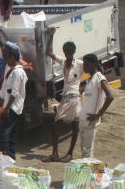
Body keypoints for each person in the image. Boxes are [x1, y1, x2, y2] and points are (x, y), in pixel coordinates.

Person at [46, 29, 84, 161]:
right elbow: (49, 52)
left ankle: (69, 154)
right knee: (57, 124)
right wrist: (51, 35)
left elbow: (94, 70)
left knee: (73, 124)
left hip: (75, 98)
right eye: (65, 52)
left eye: (69, 52)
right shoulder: (63, 62)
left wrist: (85, 87)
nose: (67, 54)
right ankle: (56, 153)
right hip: (66, 97)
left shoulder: (79, 64)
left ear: (73, 52)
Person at [0, 46, 27, 158]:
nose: (6, 62)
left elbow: (14, 92)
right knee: (12, 132)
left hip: (12, 106)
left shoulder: (17, 72)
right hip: (14, 106)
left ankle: (6, 156)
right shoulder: (17, 71)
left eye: (7, 59)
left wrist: (6, 108)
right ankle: (11, 155)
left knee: (5, 132)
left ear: (12, 57)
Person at [78, 53, 114, 158]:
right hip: (83, 119)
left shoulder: (99, 78)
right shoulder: (90, 79)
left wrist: (98, 115)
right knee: (84, 151)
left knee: (87, 153)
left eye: (87, 65)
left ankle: (88, 173)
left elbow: (110, 97)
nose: (84, 67)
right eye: (84, 64)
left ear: (94, 64)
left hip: (91, 120)